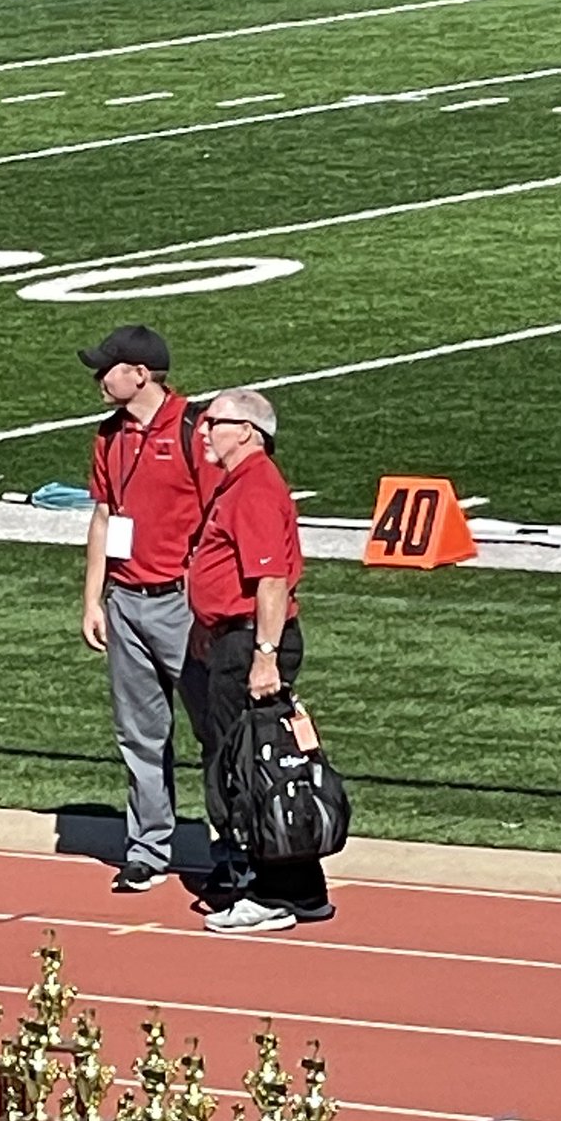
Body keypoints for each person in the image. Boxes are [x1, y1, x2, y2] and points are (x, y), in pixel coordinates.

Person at [187, 388, 335, 933]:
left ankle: (269, 892)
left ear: (247, 432)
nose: (204, 431)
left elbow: (270, 579)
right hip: (236, 638)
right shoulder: (241, 484)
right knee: (267, 762)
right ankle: (302, 886)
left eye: (214, 422)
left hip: (251, 644)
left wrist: (264, 656)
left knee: (250, 768)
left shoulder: (253, 489)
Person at [79, 324, 218, 893]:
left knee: (216, 731)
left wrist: (204, 596)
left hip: (183, 605)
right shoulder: (109, 436)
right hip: (126, 602)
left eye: (106, 368)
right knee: (139, 735)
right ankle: (147, 849)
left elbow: (218, 516)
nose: (97, 377)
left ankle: (233, 846)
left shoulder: (194, 430)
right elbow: (103, 516)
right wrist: (93, 598)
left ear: (140, 374)